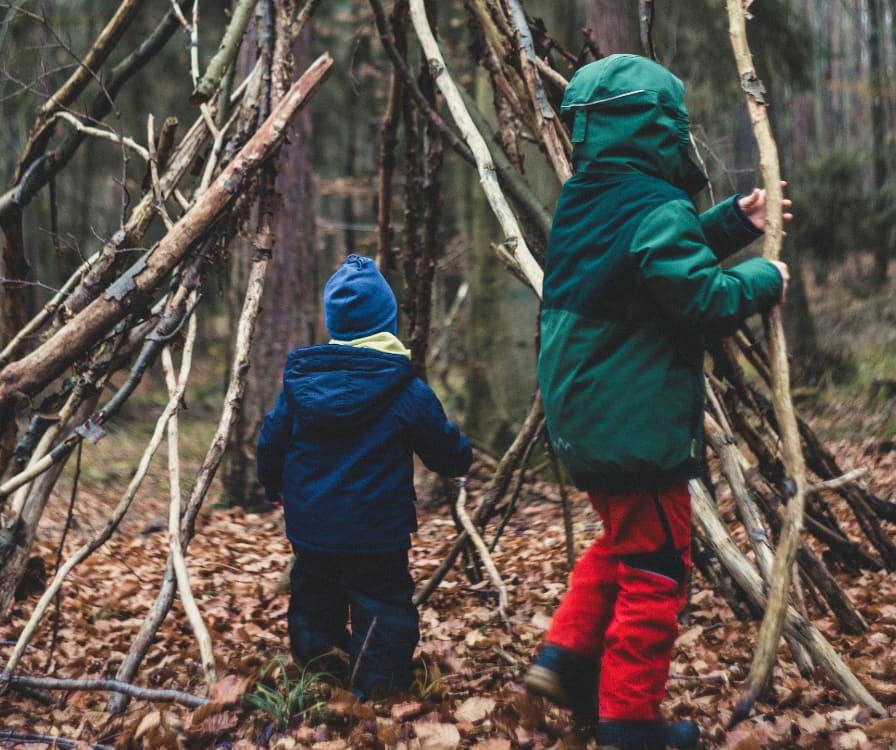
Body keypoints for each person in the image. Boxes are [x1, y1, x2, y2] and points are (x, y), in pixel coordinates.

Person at [525, 55, 792, 750]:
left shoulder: (587, 200)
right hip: (633, 426)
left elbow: (655, 262)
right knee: (657, 567)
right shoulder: (654, 207)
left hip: (585, 420)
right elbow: (699, 297)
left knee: (623, 542)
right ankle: (630, 719)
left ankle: (565, 660)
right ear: (659, 126)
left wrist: (734, 221)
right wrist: (764, 277)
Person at [257, 254, 473, 699]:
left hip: (312, 528)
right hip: (377, 534)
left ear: (334, 322)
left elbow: (271, 440)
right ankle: (376, 691)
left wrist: (272, 484)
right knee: (383, 608)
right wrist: (460, 459)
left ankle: (319, 676)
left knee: (314, 602)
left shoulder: (302, 386)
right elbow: (442, 446)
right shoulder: (404, 388)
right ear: (387, 321)